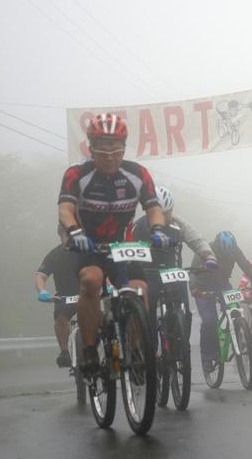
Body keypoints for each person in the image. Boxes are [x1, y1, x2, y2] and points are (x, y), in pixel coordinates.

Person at [58, 113, 173, 375]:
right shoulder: (76, 174)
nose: (110, 157)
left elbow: (153, 208)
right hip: (89, 244)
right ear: (91, 148)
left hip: (123, 245)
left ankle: (133, 351)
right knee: (91, 280)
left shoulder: (138, 174)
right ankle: (88, 351)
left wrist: (158, 229)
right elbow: (65, 210)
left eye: (116, 151)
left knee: (140, 289)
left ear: (123, 149)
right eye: (102, 151)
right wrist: (75, 233)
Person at [132, 185, 218, 327]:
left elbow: (197, 240)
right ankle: (149, 345)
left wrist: (209, 257)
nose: (164, 217)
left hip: (174, 272)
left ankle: (184, 347)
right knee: (148, 308)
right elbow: (127, 247)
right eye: (158, 213)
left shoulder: (179, 223)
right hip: (149, 273)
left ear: (172, 209)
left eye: (167, 212)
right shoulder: (140, 226)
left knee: (186, 313)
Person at [189, 231, 252, 374]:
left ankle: (236, 336)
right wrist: (194, 287)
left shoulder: (233, 250)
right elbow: (193, 271)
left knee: (235, 310)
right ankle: (207, 357)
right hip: (202, 287)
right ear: (218, 248)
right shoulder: (204, 249)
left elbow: (245, 264)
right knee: (209, 320)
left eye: (229, 253)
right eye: (224, 253)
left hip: (222, 284)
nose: (227, 256)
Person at [35, 225, 81, 368]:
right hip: (64, 297)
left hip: (87, 295)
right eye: (67, 235)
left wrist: (110, 286)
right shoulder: (54, 254)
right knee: (60, 316)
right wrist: (42, 291)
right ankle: (65, 352)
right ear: (61, 236)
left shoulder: (87, 251)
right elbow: (40, 276)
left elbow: (103, 273)